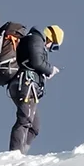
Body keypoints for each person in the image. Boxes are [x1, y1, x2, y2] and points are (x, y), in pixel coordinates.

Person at [7, 25, 62, 154]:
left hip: (23, 84)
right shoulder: (36, 39)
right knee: (25, 120)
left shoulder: (32, 40)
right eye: (53, 46)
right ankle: (14, 155)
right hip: (26, 84)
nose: (50, 49)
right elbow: (37, 62)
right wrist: (50, 70)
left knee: (34, 127)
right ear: (50, 38)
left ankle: (21, 153)